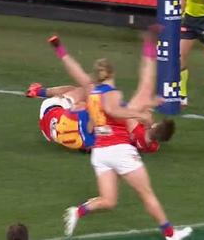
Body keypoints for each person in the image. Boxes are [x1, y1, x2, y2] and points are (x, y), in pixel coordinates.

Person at [52, 29, 192, 240]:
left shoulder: (93, 93)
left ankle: (79, 211)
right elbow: (115, 110)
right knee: (146, 194)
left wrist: (60, 49)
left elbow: (76, 73)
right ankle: (170, 234)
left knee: (109, 201)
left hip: (100, 152)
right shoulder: (113, 94)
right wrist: (139, 114)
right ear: (112, 74)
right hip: (119, 148)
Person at [26, 82, 174, 153]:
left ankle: (38, 91)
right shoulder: (150, 146)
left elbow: (126, 112)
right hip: (52, 134)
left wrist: (142, 112)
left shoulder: (125, 121)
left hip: (50, 113)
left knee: (81, 90)